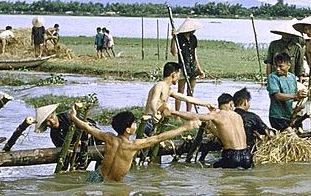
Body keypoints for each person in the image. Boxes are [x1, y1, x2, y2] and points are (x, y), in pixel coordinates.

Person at [67, 109, 200, 182]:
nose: (136, 125)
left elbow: (88, 128)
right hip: (114, 184)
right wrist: (185, 127)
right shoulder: (132, 145)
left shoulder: (108, 138)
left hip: (97, 178)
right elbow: (159, 137)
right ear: (128, 130)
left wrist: (73, 117)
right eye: (134, 123)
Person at [169, 94, 252, 169]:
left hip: (231, 156)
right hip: (247, 156)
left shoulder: (217, 115)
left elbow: (195, 116)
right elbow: (227, 136)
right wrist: (211, 128)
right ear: (231, 104)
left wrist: (174, 112)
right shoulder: (238, 116)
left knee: (209, 170)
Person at [142, 62, 214, 135]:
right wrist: (154, 113)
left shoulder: (168, 89)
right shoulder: (159, 85)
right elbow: (153, 101)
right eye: (178, 75)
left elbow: (187, 98)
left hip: (156, 122)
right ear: (173, 74)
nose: (179, 78)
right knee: (167, 106)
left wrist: (207, 104)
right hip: (149, 121)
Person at [170, 18, 204, 111]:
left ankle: (189, 112)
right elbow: (174, 52)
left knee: (191, 91)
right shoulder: (179, 38)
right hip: (182, 67)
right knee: (180, 91)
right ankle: (177, 113)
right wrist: (173, 38)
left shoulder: (194, 38)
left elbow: (194, 54)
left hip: (192, 67)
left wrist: (199, 69)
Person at [267, 53, 306, 131]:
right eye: (276, 66)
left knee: (297, 132)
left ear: (288, 65)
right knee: (292, 136)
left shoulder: (292, 77)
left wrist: (300, 97)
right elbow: (277, 96)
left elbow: (292, 97)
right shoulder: (272, 77)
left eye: (281, 66)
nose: (278, 69)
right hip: (277, 116)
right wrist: (295, 96)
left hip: (289, 115)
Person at [35, 104, 99, 147]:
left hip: (95, 140)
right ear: (45, 125)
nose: (52, 122)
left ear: (54, 113)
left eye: (52, 117)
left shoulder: (69, 116)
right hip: (78, 153)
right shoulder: (54, 136)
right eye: (47, 121)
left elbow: (90, 127)